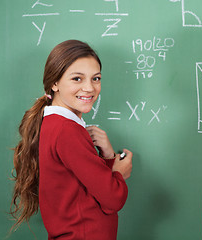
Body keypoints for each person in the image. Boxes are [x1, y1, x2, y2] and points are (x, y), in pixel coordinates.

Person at [10, 40, 133, 240]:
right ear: (54, 83)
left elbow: (83, 186)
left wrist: (109, 156)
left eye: (96, 78)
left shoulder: (53, 123)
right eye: (77, 79)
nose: (89, 88)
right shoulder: (67, 130)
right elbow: (112, 199)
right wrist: (119, 172)